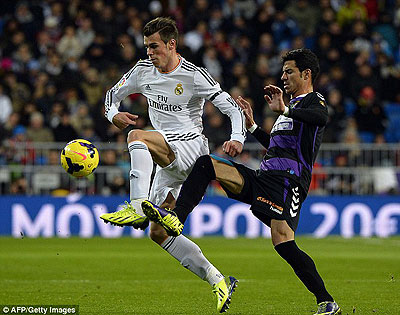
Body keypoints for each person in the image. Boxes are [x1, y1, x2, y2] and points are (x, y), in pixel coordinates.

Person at [142, 48, 342, 315]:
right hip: (265, 176)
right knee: (206, 164)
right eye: (283, 71)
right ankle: (177, 216)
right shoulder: (292, 108)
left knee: (283, 242)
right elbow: (276, 147)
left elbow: (322, 118)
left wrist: (285, 110)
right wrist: (252, 127)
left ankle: (327, 301)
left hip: (289, 182)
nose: (283, 77)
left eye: (289, 71)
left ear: (306, 74)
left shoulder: (312, 101)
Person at [100, 17, 244, 313]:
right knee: (157, 232)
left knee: (136, 135)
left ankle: (136, 204)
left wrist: (238, 137)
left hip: (192, 149)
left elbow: (232, 108)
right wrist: (112, 115)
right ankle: (218, 279)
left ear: (171, 44)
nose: (150, 52)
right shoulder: (143, 71)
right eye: (146, 47)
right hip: (167, 159)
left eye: (154, 47)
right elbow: (110, 97)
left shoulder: (194, 75)